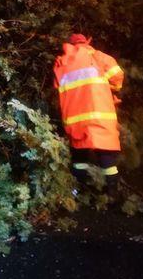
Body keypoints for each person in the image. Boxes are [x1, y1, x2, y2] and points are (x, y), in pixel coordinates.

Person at [53, 33, 124, 199]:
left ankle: (78, 191)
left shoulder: (61, 63)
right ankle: (112, 193)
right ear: (86, 43)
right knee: (106, 154)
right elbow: (117, 76)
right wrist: (112, 88)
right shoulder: (98, 57)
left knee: (79, 156)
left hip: (75, 118)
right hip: (100, 115)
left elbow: (58, 86)